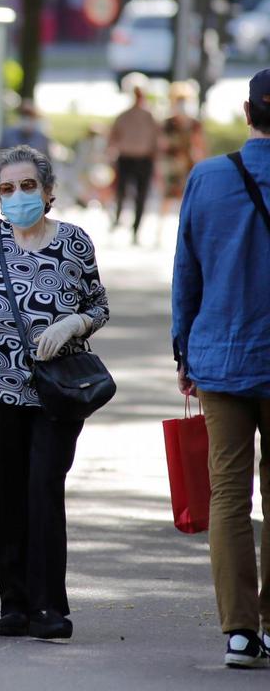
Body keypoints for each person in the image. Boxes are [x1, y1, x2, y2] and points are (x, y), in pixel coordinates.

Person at [0, 145, 109, 641]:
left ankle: (50, 606)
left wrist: (74, 321)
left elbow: (98, 305)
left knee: (43, 490)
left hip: (56, 394)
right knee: (4, 496)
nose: (18, 196)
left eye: (27, 186)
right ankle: (14, 603)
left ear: (48, 192)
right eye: (7, 189)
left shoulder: (74, 243)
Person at [171, 69, 270, 669]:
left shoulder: (208, 178)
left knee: (229, 496)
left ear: (246, 110)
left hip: (222, 358)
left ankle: (238, 631)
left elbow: (188, 269)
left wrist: (185, 350)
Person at [107, 76, 161, 244]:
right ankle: (117, 219)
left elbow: (157, 140)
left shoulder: (150, 116)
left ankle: (136, 229)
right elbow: (113, 137)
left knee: (141, 196)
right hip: (126, 158)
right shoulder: (123, 116)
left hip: (144, 159)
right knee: (121, 192)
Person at [160, 81, 205, 216]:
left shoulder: (194, 123)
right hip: (172, 163)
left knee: (189, 195)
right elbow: (162, 144)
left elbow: (200, 144)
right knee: (168, 195)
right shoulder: (168, 123)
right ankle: (160, 226)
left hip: (189, 162)